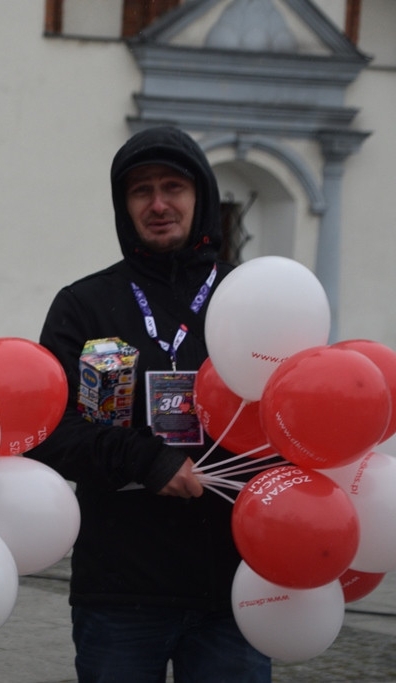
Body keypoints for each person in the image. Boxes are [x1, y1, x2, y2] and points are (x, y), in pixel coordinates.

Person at [25, 126, 271, 682]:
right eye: (141, 191)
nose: (158, 204)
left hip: (237, 590)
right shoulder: (83, 305)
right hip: (120, 589)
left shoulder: (253, 301)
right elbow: (50, 430)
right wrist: (144, 460)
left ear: (201, 196)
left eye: (173, 187)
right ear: (124, 205)